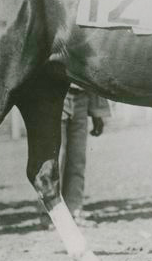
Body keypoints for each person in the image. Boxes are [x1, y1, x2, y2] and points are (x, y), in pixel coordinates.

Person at [39, 85, 110, 229]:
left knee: (77, 159)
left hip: (82, 98)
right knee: (55, 160)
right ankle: (50, 213)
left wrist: (97, 112)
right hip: (56, 96)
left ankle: (74, 209)